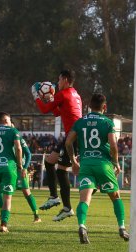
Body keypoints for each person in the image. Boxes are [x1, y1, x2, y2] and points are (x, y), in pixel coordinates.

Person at [65, 93, 129, 244]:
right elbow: (113, 146)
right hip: (103, 165)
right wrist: (116, 163)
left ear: (89, 106)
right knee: (116, 197)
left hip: (86, 164)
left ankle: (81, 225)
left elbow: (68, 143)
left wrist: (74, 161)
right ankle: (122, 228)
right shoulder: (107, 122)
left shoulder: (80, 122)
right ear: (104, 107)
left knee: (85, 199)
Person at [31, 69, 82, 221]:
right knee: (50, 162)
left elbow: (45, 110)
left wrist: (36, 96)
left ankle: (65, 206)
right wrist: (51, 99)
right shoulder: (75, 94)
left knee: (61, 170)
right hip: (73, 134)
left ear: (65, 80)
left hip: (73, 136)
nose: (57, 83)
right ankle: (55, 198)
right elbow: (58, 112)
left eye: (59, 80)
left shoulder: (64, 93)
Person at [0, 133, 41, 223]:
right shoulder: (5, 139)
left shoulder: (19, 138)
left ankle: (37, 216)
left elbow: (28, 154)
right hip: (8, 169)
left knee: (26, 192)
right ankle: (3, 213)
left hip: (19, 169)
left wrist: (25, 167)